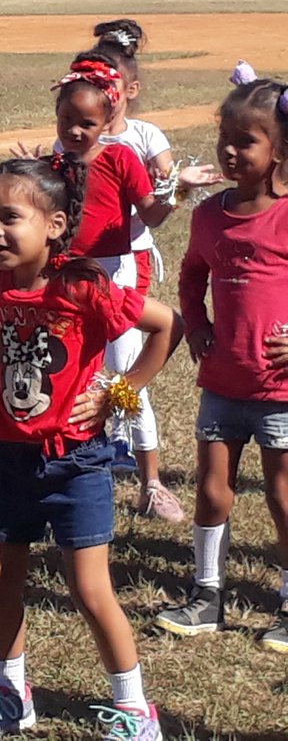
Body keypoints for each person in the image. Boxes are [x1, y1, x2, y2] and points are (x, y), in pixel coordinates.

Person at [0, 154, 181, 741]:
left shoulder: (82, 287)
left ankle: (134, 710)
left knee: (88, 587)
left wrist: (118, 392)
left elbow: (166, 326)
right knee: (2, 575)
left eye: (9, 218)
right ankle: (11, 694)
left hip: (77, 460)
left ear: (54, 225)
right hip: (11, 456)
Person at [155, 71, 288, 652]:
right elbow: (190, 276)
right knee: (212, 491)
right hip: (222, 381)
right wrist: (198, 325)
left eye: (247, 140)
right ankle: (206, 594)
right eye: (224, 139)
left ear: (280, 150)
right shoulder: (209, 215)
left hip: (280, 386)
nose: (231, 151)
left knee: (283, 496)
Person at [66, 26, 220, 519]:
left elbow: (151, 215)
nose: (71, 128)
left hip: (119, 271)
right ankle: (78, 459)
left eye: (83, 118)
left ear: (113, 102)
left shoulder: (127, 153)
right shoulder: (60, 158)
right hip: (70, 273)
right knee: (76, 366)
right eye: (64, 117)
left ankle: (151, 481)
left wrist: (180, 187)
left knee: (127, 373)